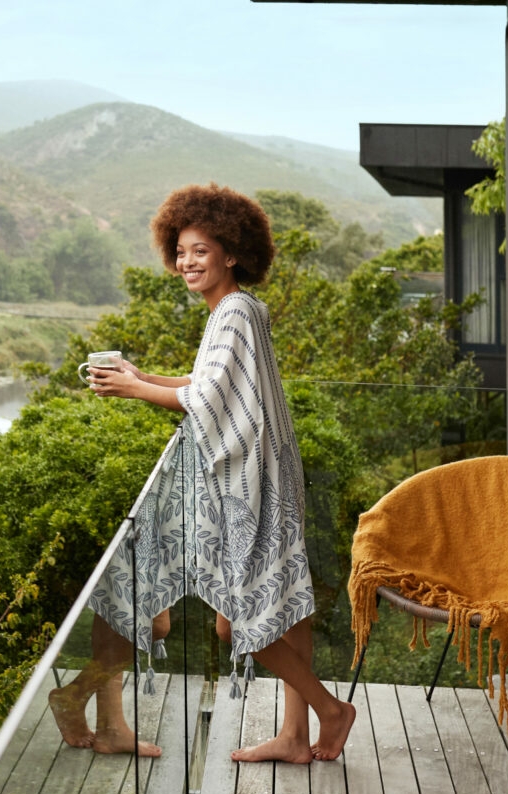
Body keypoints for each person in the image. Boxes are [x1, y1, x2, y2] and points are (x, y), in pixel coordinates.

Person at [83, 183, 355, 763]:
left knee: (241, 623)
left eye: (200, 250)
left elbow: (204, 403)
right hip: (267, 479)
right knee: (278, 605)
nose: (187, 261)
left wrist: (131, 389)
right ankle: (295, 736)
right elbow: (203, 385)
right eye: (180, 251)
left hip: (251, 488)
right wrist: (143, 375)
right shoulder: (234, 313)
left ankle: (330, 712)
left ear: (231, 252)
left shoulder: (233, 311)